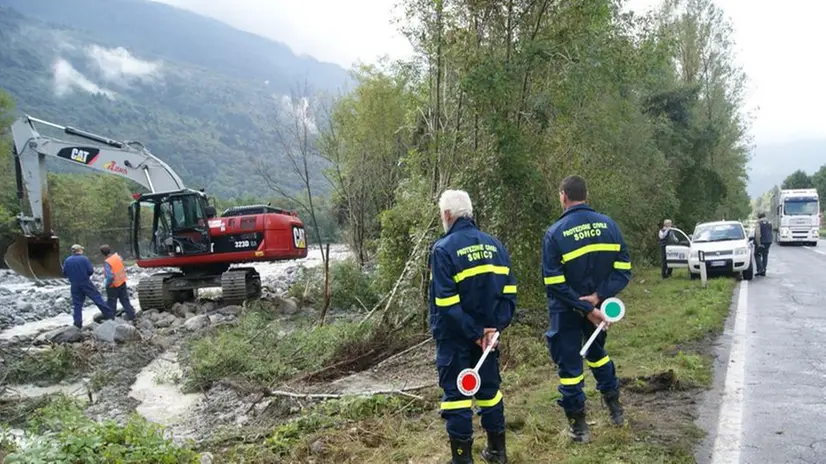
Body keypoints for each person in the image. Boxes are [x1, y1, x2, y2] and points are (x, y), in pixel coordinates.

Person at [541, 175, 632, 443]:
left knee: (570, 367)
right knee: (598, 354)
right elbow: (624, 270)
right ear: (586, 194)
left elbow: (554, 283)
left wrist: (582, 305)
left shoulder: (555, 233)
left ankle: (579, 428)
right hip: (599, 311)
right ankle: (615, 410)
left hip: (567, 311)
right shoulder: (609, 226)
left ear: (563, 196)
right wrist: (598, 297)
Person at [429, 189, 517, 463]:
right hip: (488, 337)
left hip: (456, 338)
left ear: (446, 215)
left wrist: (476, 332)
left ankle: (462, 459)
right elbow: (510, 295)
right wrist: (492, 329)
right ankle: (497, 452)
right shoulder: (496, 246)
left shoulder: (443, 250)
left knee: (456, 397)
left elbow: (446, 303)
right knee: (490, 392)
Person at [62, 244, 114, 329]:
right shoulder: (84, 259)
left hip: (74, 285)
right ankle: (110, 316)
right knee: (97, 299)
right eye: (82, 250)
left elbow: (64, 274)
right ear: (79, 250)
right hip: (86, 282)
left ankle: (77, 324)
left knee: (77, 305)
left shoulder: (67, 260)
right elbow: (90, 271)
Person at [100, 244, 137, 321]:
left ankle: (111, 319)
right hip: (122, 281)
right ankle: (132, 316)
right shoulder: (118, 257)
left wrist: (107, 284)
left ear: (103, 254)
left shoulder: (107, 262)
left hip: (113, 285)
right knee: (125, 300)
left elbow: (110, 276)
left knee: (111, 303)